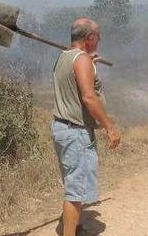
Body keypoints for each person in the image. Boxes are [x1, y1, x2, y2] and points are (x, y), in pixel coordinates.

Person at [51, 18, 121, 236]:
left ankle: (76, 226)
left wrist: (90, 63)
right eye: (98, 35)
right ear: (89, 38)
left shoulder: (65, 57)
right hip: (75, 132)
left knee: (74, 183)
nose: (100, 39)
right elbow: (89, 98)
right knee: (75, 190)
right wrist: (109, 127)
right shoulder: (81, 60)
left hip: (61, 128)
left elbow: (77, 79)